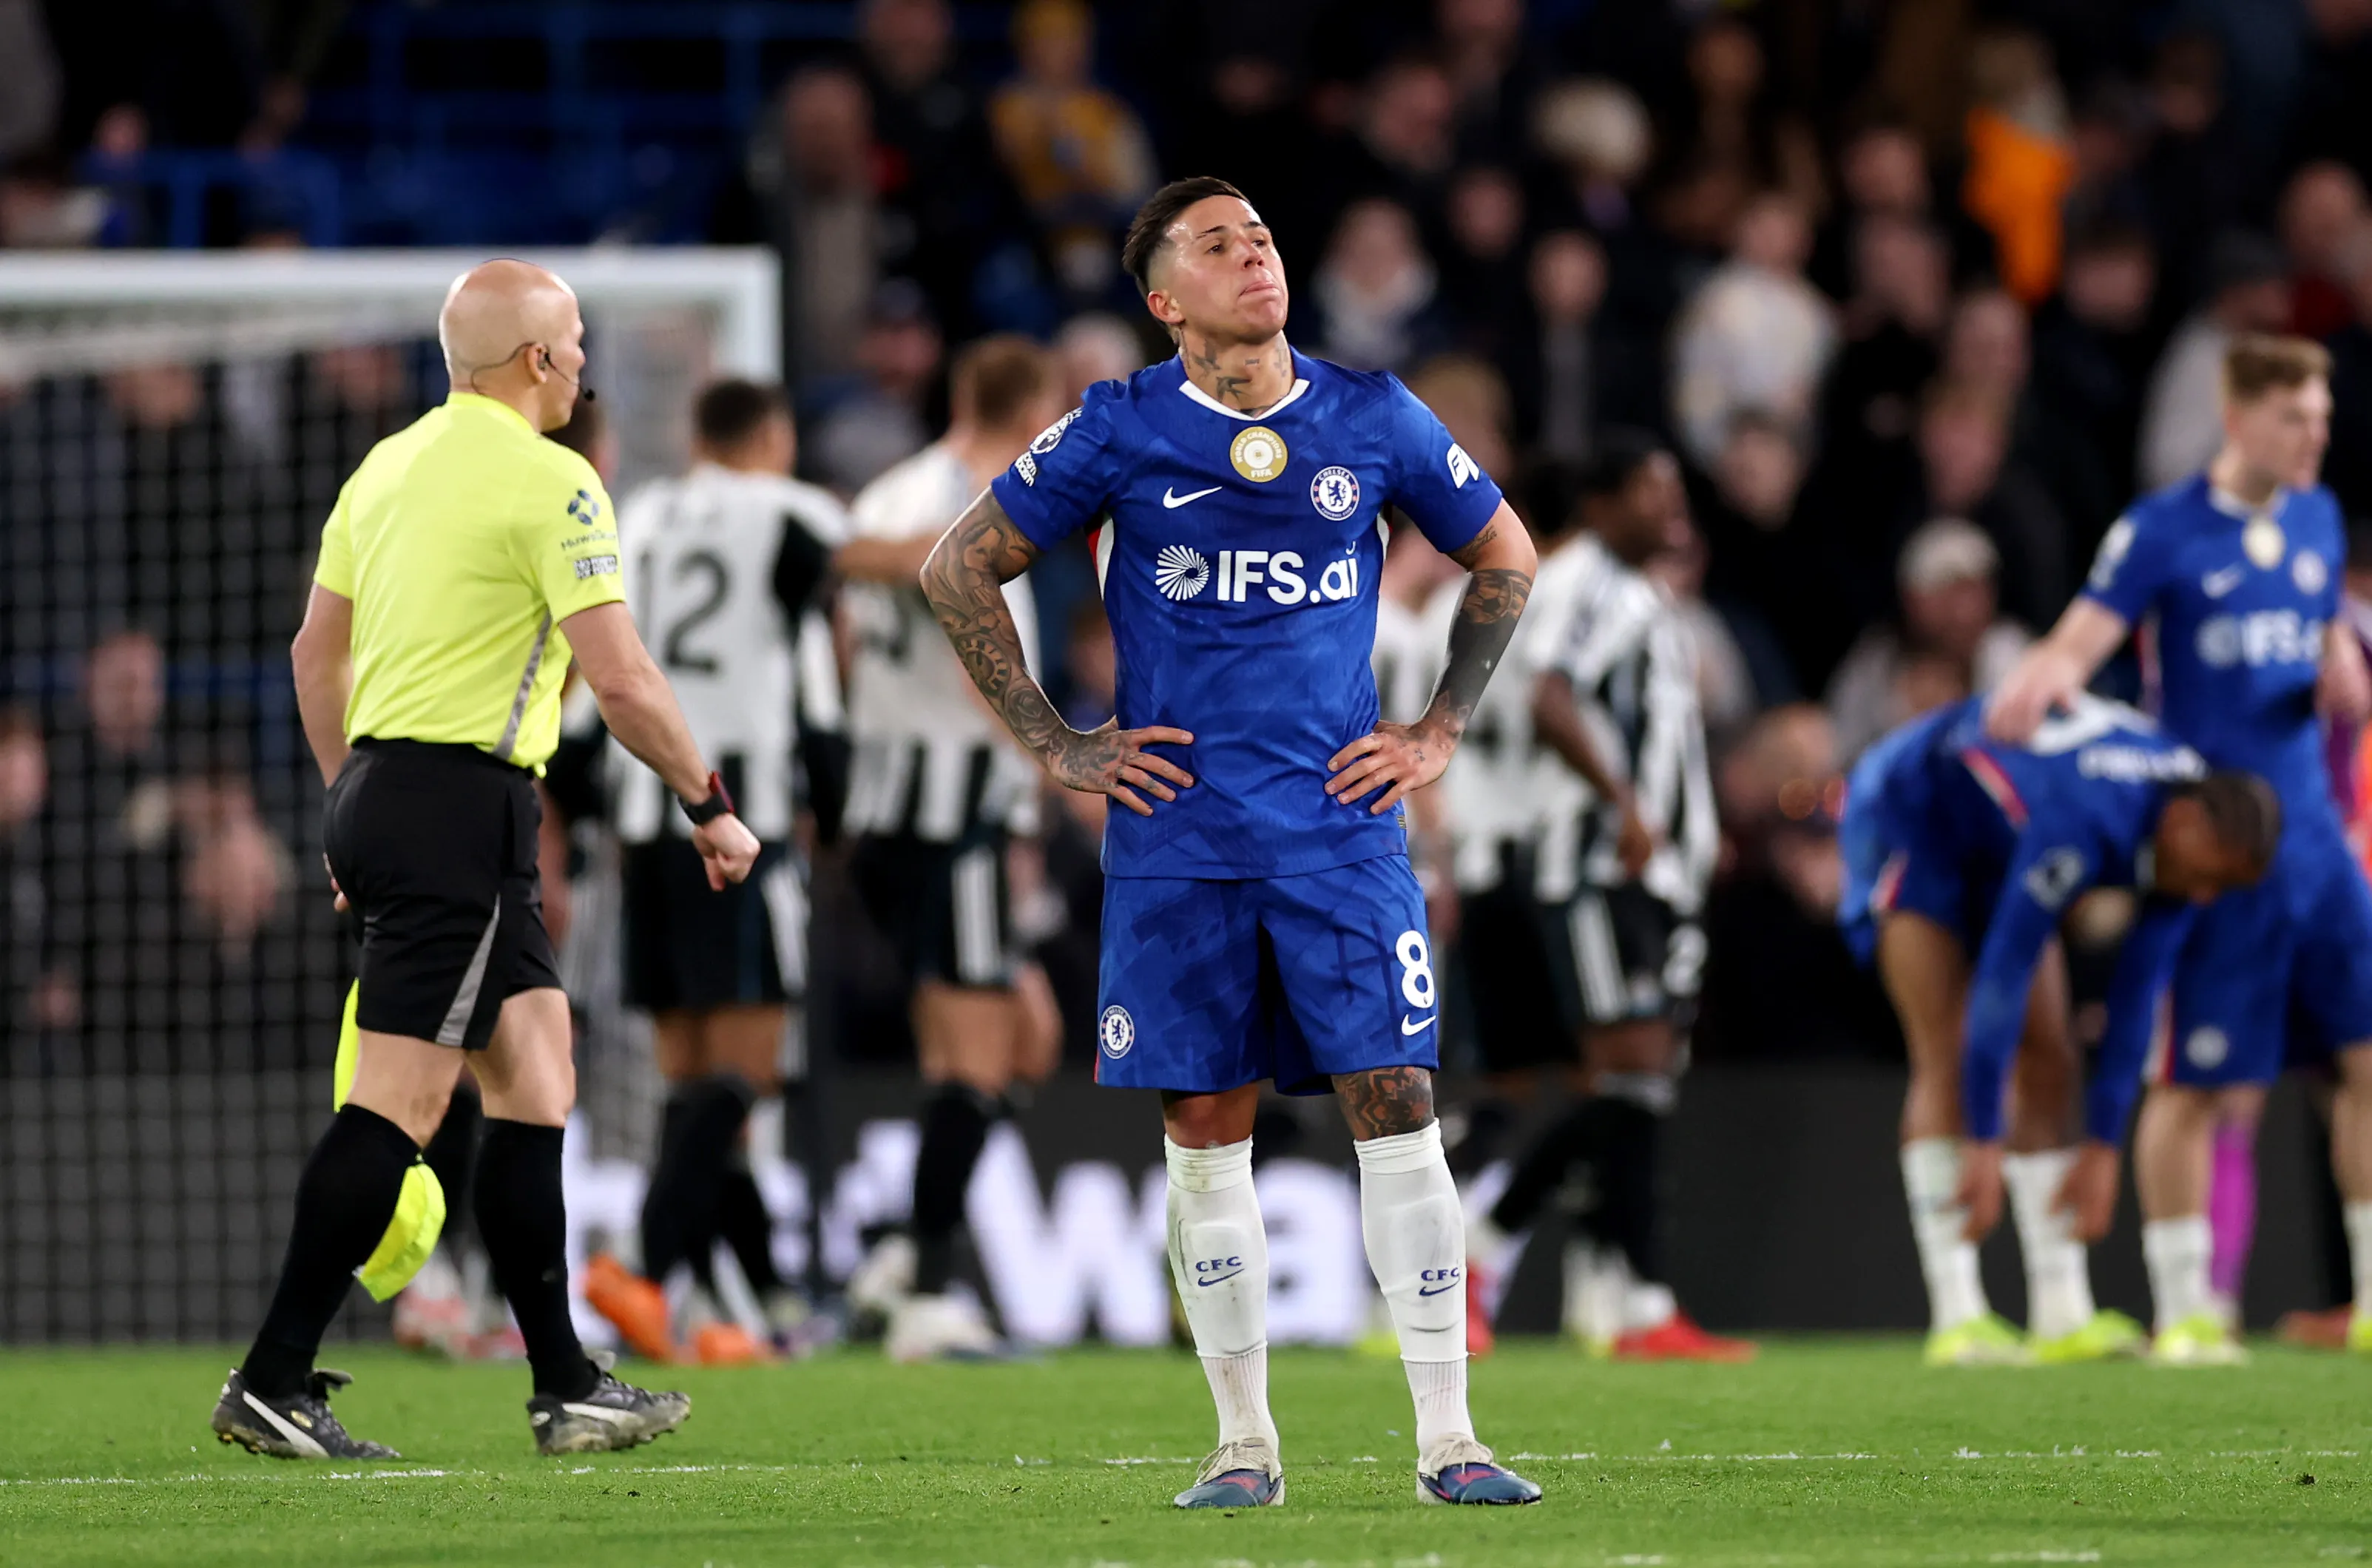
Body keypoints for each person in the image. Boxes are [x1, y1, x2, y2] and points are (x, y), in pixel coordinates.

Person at [917, 177, 1542, 1507]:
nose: (1254, 254)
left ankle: (1451, 1437)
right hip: (1176, 840)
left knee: (1401, 1104)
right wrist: (1056, 742)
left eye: (1260, 234)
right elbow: (954, 568)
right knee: (1206, 1128)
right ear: (1164, 300)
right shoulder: (1117, 428)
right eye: (1218, 245)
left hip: (1341, 836)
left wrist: (1437, 729)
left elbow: (1503, 555)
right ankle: (1243, 1444)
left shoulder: (1373, 413)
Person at [209, 260, 760, 1461]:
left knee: (536, 1071)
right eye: (570, 344)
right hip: (460, 806)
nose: (581, 365)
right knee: (399, 1103)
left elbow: (315, 657)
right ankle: (272, 1376)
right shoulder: (554, 483)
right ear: (534, 362)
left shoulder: (387, 465)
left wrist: (344, 802)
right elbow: (621, 678)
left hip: (391, 794)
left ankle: (564, 1385)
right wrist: (707, 803)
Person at [1987, 334, 2372, 1364]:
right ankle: (2184, 1308)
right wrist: (2038, 683)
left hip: (2318, 844)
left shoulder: (2318, 518)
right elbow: (2082, 637)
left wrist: (2340, 663)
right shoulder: (2160, 529)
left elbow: (2322, 626)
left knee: (2362, 1060)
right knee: (2193, 1080)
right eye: (2294, 419)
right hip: (2214, 847)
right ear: (2235, 415)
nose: (2311, 440)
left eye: (2321, 420)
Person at [1842, 695, 2279, 1364]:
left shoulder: (2182, 829)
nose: (2205, 896)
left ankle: (2059, 1311)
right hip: (1913, 816)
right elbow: (2000, 982)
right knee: (1948, 1053)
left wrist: (2101, 1147)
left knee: (2052, 1057)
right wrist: (1984, 1142)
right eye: (2211, 876)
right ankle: (1957, 1315)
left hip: (2007, 837)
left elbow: (2137, 997)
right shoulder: (2086, 818)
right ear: (2186, 823)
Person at [581, 379, 848, 1367]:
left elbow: (596, 674)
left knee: (693, 1083)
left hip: (647, 816)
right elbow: (824, 662)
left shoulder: (640, 517)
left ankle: (748, 1307)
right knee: (743, 1074)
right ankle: (642, 1274)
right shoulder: (786, 514)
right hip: (739, 820)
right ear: (771, 437)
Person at [1465, 434, 1746, 1363]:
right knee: (1626, 1076)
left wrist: (1692, 828)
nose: (1674, 509)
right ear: (1605, 500)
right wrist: (1627, 804)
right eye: (1654, 490)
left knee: (1639, 1085)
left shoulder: (1641, 592)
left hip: (1651, 872)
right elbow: (1551, 695)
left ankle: (1633, 1301)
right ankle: (1494, 1246)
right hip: (1597, 868)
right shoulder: (1584, 578)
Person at [835, 336, 1067, 1364]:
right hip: (957, 808)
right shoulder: (988, 505)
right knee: (980, 1054)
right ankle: (926, 1292)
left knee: (1021, 1038)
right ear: (1032, 410)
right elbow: (977, 643)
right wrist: (1040, 760)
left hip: (885, 807)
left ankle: (897, 1254)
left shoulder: (887, 493)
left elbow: (845, 617)